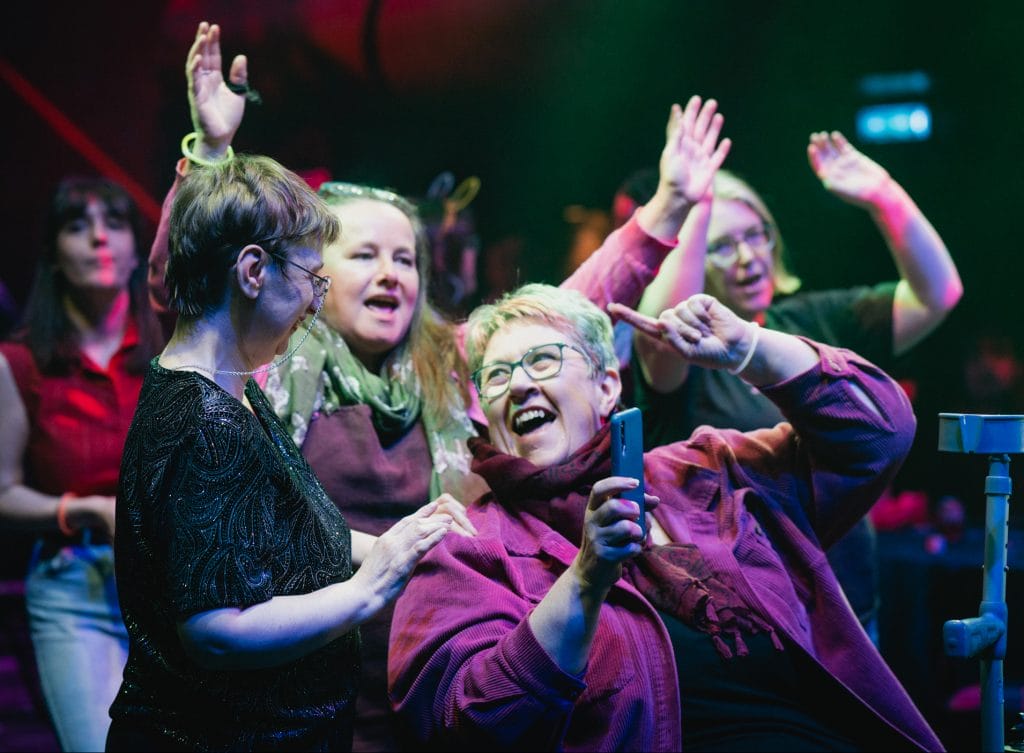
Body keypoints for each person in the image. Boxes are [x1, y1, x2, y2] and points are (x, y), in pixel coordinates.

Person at [145, 21, 732, 752]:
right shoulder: (262, 362)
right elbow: (187, 297)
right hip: (296, 671)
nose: (392, 272)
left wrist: (669, 207)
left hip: (435, 660)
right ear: (307, 274)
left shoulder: (454, 366)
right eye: (365, 254)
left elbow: (566, 309)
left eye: (405, 257)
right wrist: (209, 155)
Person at [387, 283, 944, 752]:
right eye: (497, 375)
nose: (521, 384)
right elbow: (466, 718)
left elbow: (879, 432)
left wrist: (748, 348)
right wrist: (585, 580)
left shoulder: (711, 470)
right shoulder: (469, 547)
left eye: (542, 360)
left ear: (608, 386)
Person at [107, 152, 473, 752]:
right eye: (311, 277)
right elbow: (216, 633)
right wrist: (366, 591)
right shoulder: (205, 418)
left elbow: (278, 532)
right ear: (253, 271)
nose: (313, 302)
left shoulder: (235, 387)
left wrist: (398, 543)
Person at [622, 137, 963, 641]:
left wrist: (885, 195)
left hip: (848, 606)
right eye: (722, 244)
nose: (748, 257)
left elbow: (938, 294)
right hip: (744, 621)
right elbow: (662, 330)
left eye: (757, 235)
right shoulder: (687, 355)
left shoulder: (810, 321)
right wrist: (697, 206)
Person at [0, 176, 163, 752]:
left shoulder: (172, 349)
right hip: (78, 584)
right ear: (52, 252)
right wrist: (89, 509)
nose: (99, 239)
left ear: (137, 248)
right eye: (78, 225)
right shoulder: (20, 362)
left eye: (114, 223)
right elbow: (2, 493)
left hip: (175, 579)